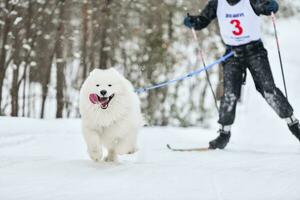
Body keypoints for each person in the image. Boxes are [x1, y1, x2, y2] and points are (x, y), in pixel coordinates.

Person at [183, 0, 300, 149]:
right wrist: (193, 21)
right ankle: (224, 134)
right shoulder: (217, 3)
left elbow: (265, 7)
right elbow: (202, 20)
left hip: (255, 52)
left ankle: (295, 126)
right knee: (229, 94)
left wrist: (271, 6)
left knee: (269, 90)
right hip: (232, 53)